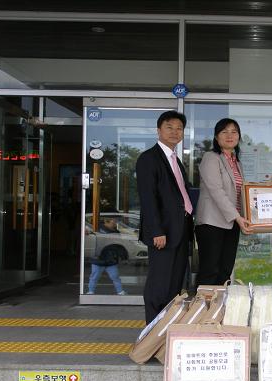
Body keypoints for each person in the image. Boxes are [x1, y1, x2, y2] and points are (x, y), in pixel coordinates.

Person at [136, 110, 194, 324]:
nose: (174, 132)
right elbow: (148, 198)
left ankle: (167, 330)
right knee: (158, 286)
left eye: (179, 128)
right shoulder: (149, 158)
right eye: (169, 127)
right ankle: (153, 331)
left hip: (180, 230)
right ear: (158, 130)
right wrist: (156, 231)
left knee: (174, 287)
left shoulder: (175, 160)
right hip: (163, 233)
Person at [195, 118, 251, 286]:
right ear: (216, 137)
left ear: (239, 136)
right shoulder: (211, 158)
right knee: (210, 271)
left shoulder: (236, 162)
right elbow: (216, 191)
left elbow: (242, 192)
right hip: (212, 223)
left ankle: (220, 302)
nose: (229, 135)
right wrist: (238, 218)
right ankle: (204, 303)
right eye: (224, 132)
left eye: (234, 132)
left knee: (225, 271)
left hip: (232, 223)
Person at [85, 219, 126, 295]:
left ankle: (120, 291)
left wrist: (119, 256)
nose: (115, 223)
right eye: (113, 222)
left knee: (115, 276)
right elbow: (88, 232)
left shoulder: (116, 232)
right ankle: (90, 291)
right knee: (94, 277)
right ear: (107, 222)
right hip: (99, 259)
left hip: (109, 259)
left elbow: (119, 245)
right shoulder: (97, 228)